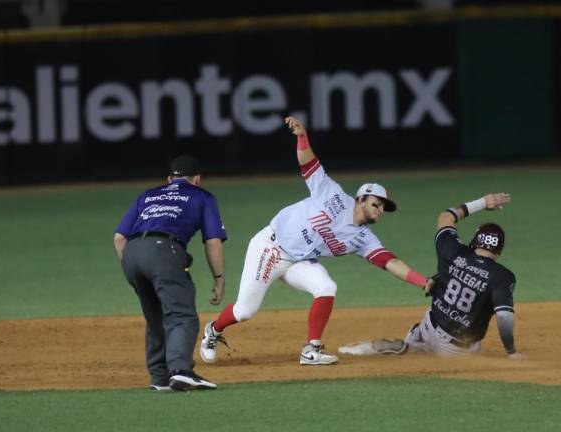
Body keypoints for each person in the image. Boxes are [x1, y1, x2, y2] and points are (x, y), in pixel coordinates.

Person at [199, 116, 431, 366]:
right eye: (376, 203)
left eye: (383, 208)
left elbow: (389, 261)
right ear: (361, 199)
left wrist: (422, 282)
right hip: (271, 247)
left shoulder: (364, 238)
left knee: (326, 287)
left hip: (300, 261)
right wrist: (302, 136)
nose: (379, 210)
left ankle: (311, 349)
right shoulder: (332, 193)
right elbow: (308, 163)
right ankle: (213, 330)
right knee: (244, 311)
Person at [338, 192, 523, 359]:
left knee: (439, 290)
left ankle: (402, 346)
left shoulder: (452, 249)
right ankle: (412, 350)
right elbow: (505, 316)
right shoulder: (503, 276)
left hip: (429, 327)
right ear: (499, 251)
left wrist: (483, 202)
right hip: (456, 350)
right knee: (471, 341)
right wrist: (511, 351)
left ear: (475, 242)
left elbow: (446, 216)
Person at [113, 155, 227, 391]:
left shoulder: (148, 194)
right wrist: (219, 278)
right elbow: (213, 241)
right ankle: (181, 371)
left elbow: (119, 237)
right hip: (164, 252)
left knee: (156, 317)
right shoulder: (202, 195)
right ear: (197, 179)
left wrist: (131, 270)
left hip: (132, 253)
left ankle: (159, 378)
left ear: (169, 179)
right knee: (182, 315)